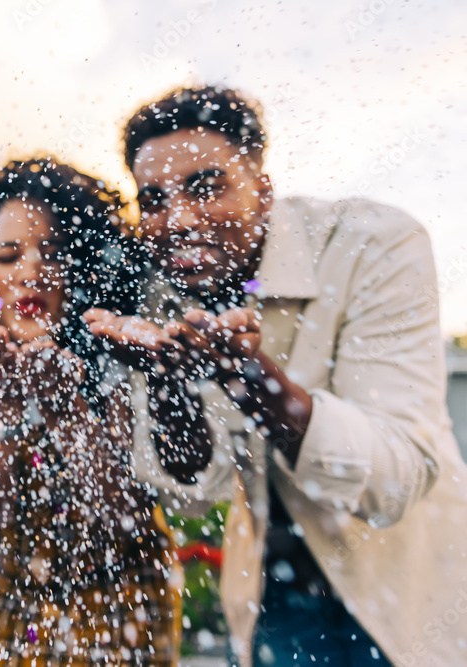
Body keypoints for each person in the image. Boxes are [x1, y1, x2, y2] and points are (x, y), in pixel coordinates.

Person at [87, 85, 467, 666]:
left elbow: (397, 477)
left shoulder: (373, 243)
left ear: (263, 191)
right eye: (155, 198)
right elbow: (193, 494)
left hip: (412, 587)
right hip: (273, 595)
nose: (178, 219)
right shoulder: (161, 296)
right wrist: (168, 381)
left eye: (206, 186)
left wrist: (252, 380)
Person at [0, 158, 197, 665]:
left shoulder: (112, 339)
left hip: (125, 590)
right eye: (7, 255)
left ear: (83, 267)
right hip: (13, 591)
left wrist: (61, 403)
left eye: (53, 252)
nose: (31, 270)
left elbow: (116, 518)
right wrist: (2, 400)